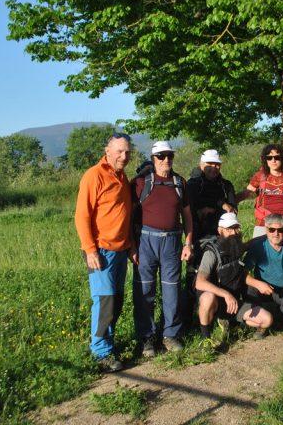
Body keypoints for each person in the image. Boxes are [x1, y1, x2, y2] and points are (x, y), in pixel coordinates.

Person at [74, 133, 138, 372]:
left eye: (128, 152)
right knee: (105, 300)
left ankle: (108, 344)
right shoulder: (94, 175)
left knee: (117, 300)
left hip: (120, 250)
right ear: (107, 151)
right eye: (120, 151)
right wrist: (90, 249)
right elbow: (82, 216)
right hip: (100, 250)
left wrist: (130, 243)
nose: (124, 155)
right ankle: (100, 353)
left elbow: (125, 216)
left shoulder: (121, 176)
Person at [132, 141, 193, 357]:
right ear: (153, 158)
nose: (166, 160)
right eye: (161, 156)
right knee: (144, 290)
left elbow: (187, 215)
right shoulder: (140, 182)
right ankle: (146, 337)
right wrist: (132, 246)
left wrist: (188, 242)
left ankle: (171, 335)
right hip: (145, 240)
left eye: (169, 155)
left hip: (173, 241)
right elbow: (129, 216)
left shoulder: (179, 182)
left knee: (172, 289)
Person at [195, 213, 274, 340]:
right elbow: (199, 283)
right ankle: (206, 338)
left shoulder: (235, 246)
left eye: (236, 228)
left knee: (267, 320)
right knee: (208, 297)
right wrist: (226, 294)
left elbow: (249, 244)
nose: (233, 232)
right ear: (220, 230)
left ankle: (232, 322)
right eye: (229, 229)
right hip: (216, 301)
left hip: (234, 302)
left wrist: (271, 234)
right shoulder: (211, 253)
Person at [238, 144, 283, 238]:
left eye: (277, 157)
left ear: (282, 158)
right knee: (258, 251)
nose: (273, 160)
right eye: (269, 158)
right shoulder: (260, 176)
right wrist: (231, 202)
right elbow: (246, 193)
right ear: (265, 160)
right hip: (263, 223)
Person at [187, 149, 237, 240]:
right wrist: (220, 205)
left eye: (217, 164)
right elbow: (188, 210)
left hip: (224, 235)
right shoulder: (192, 184)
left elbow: (233, 209)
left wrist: (218, 208)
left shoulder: (226, 185)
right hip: (200, 235)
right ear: (201, 165)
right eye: (210, 164)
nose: (214, 167)